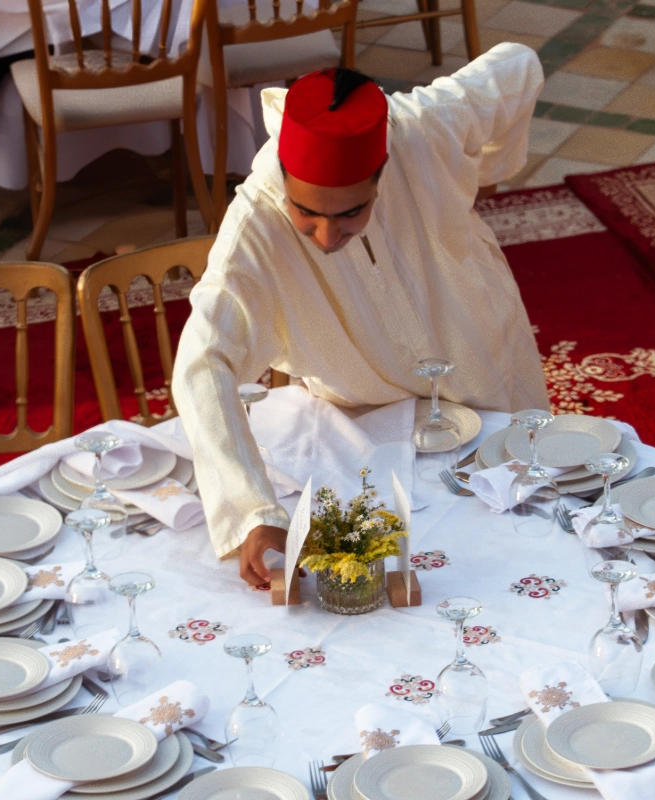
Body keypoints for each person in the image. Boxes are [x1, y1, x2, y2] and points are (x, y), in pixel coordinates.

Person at [172, 43, 550, 586]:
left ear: (381, 174)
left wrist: (480, 167)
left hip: (489, 370)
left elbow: (519, 64)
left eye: (352, 212)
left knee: (532, 536)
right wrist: (252, 510)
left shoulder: (421, 128)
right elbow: (202, 362)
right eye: (307, 212)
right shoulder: (255, 223)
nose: (328, 237)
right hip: (366, 433)